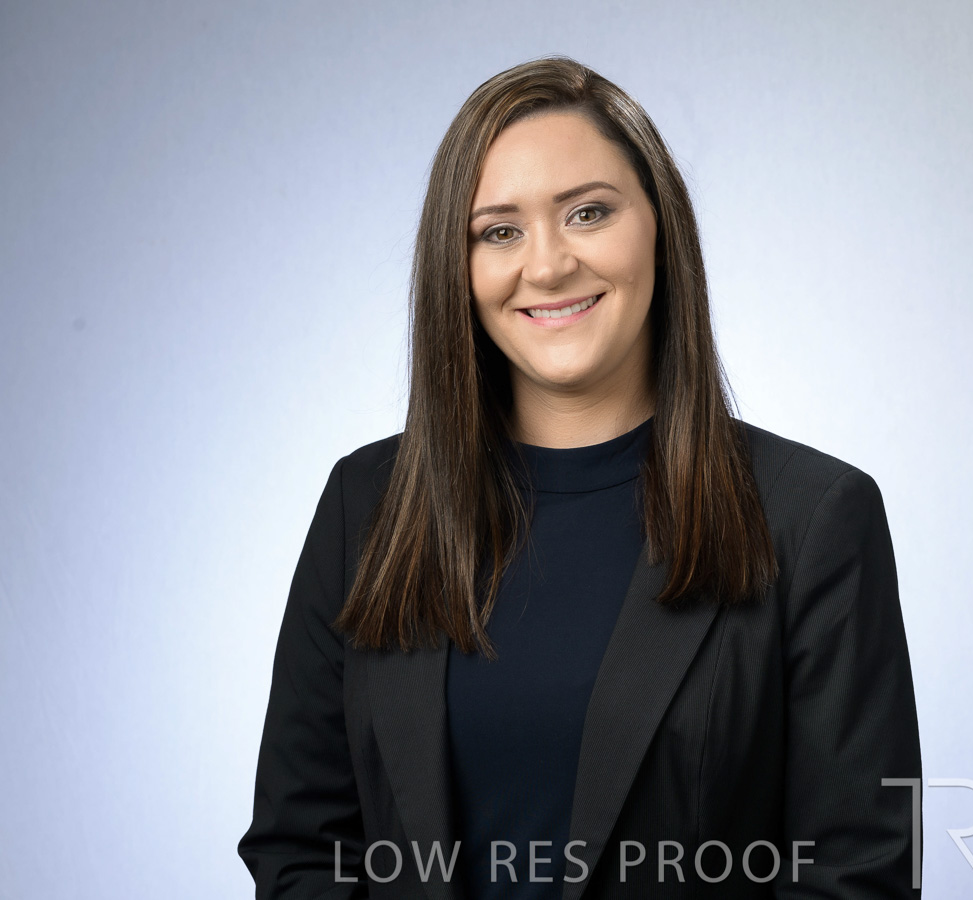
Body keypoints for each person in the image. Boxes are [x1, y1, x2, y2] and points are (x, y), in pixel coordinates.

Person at [237, 57, 922, 899]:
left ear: (660, 226)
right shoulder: (366, 505)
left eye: (587, 213)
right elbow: (302, 848)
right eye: (499, 232)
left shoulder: (811, 518)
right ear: (458, 268)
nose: (548, 265)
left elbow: (857, 874)